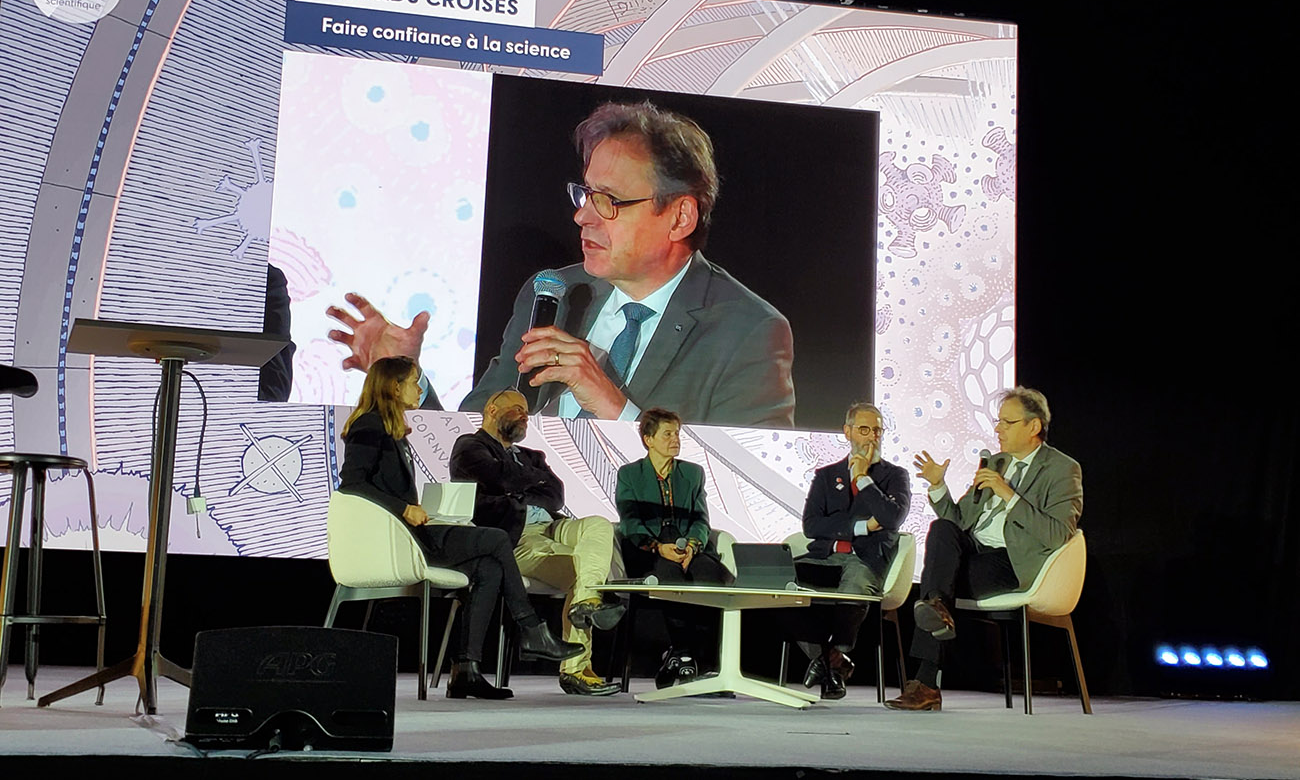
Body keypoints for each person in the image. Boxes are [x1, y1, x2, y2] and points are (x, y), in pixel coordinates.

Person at [326, 101, 795, 428]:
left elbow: (743, 493)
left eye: (608, 200)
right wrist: (404, 377)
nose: (582, 216)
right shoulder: (553, 293)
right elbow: (470, 443)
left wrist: (614, 407)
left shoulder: (750, 331)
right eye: (585, 194)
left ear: (679, 216)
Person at [337, 357, 581, 700]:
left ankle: (465, 671)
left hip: (409, 532)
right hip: (397, 539)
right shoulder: (369, 425)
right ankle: (531, 629)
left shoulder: (390, 428)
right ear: (393, 386)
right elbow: (352, 484)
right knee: (495, 539)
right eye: (413, 382)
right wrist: (403, 507)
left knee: (489, 567)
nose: (420, 389)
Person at [886, 386, 1083, 711]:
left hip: (1013, 562)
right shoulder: (996, 462)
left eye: (1007, 422)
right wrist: (938, 486)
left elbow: (1058, 534)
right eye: (998, 422)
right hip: (973, 551)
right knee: (941, 529)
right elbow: (959, 520)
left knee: (939, 586)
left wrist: (1009, 495)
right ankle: (936, 608)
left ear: (1033, 427)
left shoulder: (1063, 469)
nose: (998, 429)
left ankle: (925, 682)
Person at [448, 388, 625, 697]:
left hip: (551, 528)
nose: (524, 415)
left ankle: (586, 607)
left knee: (598, 527)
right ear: (491, 408)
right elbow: (498, 479)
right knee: (584, 577)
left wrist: (516, 482)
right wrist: (526, 481)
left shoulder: (531, 456)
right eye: (516, 408)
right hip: (514, 540)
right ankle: (577, 670)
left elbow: (556, 493)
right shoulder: (469, 446)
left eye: (526, 411)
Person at [794, 402, 911, 699]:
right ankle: (834, 663)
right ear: (847, 432)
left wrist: (863, 479)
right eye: (864, 429)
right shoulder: (825, 475)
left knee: (854, 587)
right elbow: (811, 525)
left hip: (865, 558)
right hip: (826, 554)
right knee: (784, 583)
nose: (872, 436)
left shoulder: (894, 476)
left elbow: (892, 518)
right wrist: (859, 527)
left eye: (877, 430)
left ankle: (833, 656)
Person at [615, 407, 735, 688]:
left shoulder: (692, 473)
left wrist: (693, 546)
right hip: (649, 549)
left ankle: (703, 660)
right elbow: (630, 522)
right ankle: (682, 653)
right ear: (648, 439)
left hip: (688, 547)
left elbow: (700, 519)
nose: (675, 439)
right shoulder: (630, 474)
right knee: (668, 575)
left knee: (709, 574)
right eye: (667, 434)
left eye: (677, 433)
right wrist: (658, 547)